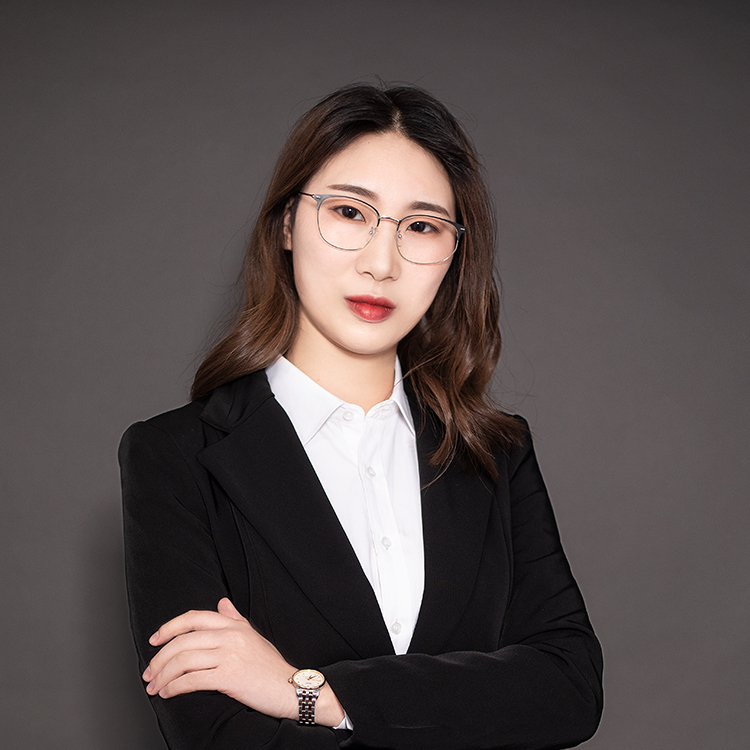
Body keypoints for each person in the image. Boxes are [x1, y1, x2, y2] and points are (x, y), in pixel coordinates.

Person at [119, 83, 603, 750]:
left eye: (422, 226)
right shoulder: (174, 455)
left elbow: (569, 688)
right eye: (350, 212)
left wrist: (312, 694)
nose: (382, 263)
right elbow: (213, 731)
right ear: (286, 224)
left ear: (454, 254)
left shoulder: (495, 451)